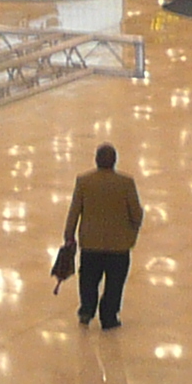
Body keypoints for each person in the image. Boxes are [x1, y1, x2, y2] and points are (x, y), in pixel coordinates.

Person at [63, 141, 143, 330]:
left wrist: (69, 236)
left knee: (88, 280)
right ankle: (109, 316)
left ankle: (86, 310)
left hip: (90, 244)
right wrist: (131, 234)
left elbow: (74, 211)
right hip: (119, 246)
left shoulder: (84, 181)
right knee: (115, 283)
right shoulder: (126, 183)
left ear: (96, 160)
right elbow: (136, 214)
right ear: (115, 161)